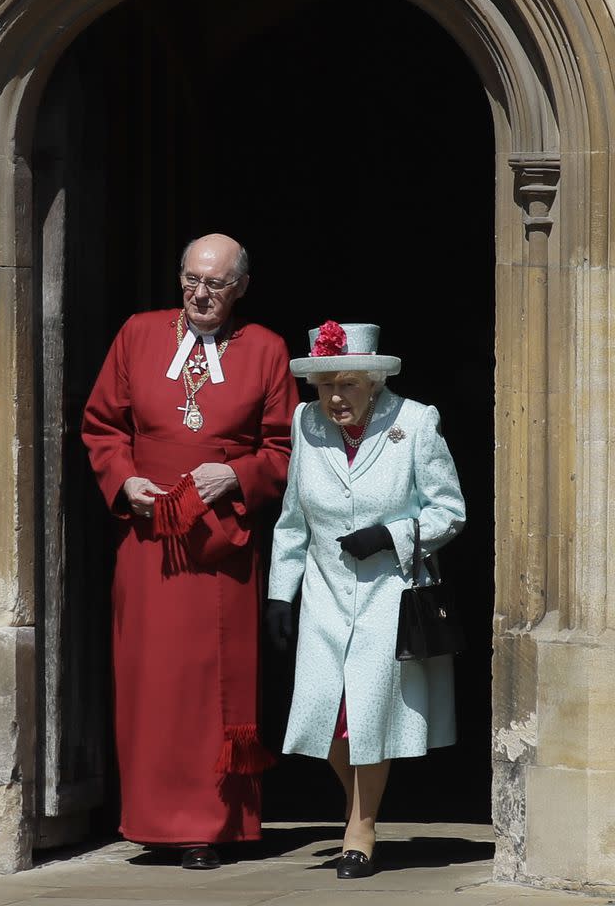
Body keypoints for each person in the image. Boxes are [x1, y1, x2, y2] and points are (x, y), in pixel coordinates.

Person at [81, 233, 296, 869]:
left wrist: (238, 476)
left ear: (241, 288)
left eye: (218, 284)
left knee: (212, 688)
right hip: (150, 543)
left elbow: (285, 451)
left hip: (222, 551)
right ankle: (153, 821)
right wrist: (125, 482)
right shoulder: (138, 335)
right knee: (153, 681)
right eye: (192, 281)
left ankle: (214, 826)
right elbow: (103, 426)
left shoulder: (265, 350)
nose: (202, 295)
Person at [266, 320, 465, 879]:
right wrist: (281, 595)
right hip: (325, 595)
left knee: (367, 713)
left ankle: (361, 826)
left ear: (374, 382)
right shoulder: (306, 423)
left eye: (347, 384)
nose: (334, 396)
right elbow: (292, 520)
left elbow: (450, 511)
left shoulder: (416, 423)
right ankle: (356, 809)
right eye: (325, 383)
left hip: (391, 595)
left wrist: (391, 535)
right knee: (326, 716)